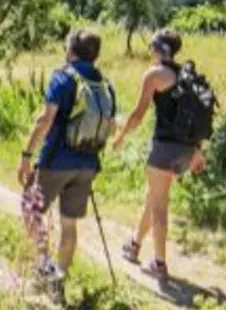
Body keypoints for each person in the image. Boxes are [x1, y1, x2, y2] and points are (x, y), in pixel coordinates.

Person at [18, 28, 116, 286]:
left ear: (71, 50)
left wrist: (27, 155)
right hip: (87, 163)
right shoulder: (104, 84)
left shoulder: (63, 77)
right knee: (69, 224)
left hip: (57, 161)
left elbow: (45, 119)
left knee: (32, 210)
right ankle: (59, 278)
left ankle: (43, 264)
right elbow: (111, 125)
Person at [114, 27, 210, 283]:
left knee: (159, 205)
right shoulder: (186, 75)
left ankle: (159, 263)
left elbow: (138, 112)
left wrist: (122, 134)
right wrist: (198, 153)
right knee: (155, 196)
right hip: (187, 149)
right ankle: (134, 244)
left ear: (157, 48)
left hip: (165, 147)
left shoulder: (155, 74)